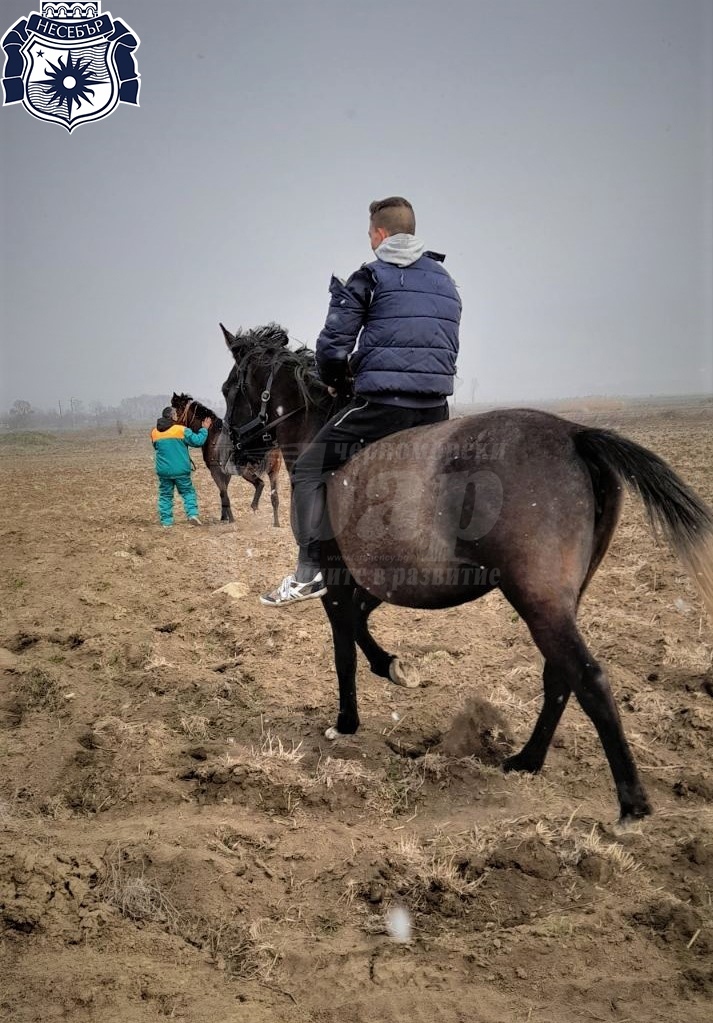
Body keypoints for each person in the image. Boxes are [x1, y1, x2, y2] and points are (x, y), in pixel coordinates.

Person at [260, 196, 461, 606]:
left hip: (382, 407)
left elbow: (332, 348)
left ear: (381, 234)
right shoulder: (445, 279)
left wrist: (336, 382)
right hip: (437, 408)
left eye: (370, 233)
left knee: (310, 467)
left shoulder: (368, 277)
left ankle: (310, 571)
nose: (369, 240)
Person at [151, 405, 213, 527]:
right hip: (180, 470)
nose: (177, 416)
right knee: (188, 492)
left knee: (165, 495)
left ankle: (166, 522)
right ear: (172, 416)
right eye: (175, 414)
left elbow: (156, 447)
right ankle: (192, 515)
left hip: (163, 471)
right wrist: (204, 429)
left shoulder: (154, 432)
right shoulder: (181, 430)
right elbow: (198, 441)